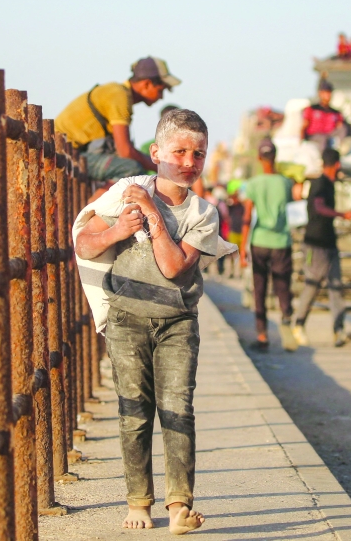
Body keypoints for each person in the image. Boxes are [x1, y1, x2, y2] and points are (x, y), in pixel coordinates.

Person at [74, 109, 215, 534]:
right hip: (126, 319)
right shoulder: (126, 191)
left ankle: (178, 507)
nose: (188, 162)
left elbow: (174, 268)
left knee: (178, 409)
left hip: (177, 322)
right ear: (156, 153)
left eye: (199, 154)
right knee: (133, 411)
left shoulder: (204, 214)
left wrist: (151, 214)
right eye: (179, 151)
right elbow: (83, 239)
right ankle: (138, 500)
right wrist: (117, 232)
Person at [56, 57, 180, 181]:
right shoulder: (119, 96)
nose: (162, 97)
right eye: (160, 90)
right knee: (131, 169)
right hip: (64, 153)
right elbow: (125, 151)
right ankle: (97, 201)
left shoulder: (118, 92)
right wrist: (162, 167)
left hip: (73, 151)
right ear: (146, 84)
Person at [240, 139, 302, 351]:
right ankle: (286, 321)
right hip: (281, 242)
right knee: (282, 287)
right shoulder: (286, 183)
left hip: (259, 242)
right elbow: (295, 203)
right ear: (275, 157)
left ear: (259, 158)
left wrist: (242, 248)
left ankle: (263, 336)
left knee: (260, 290)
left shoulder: (253, 184)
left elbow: (247, 216)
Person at [293, 148, 351, 348]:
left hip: (329, 243)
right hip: (315, 244)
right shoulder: (320, 183)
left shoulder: (329, 184)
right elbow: (319, 207)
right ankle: (298, 324)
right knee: (313, 285)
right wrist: (340, 214)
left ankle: (338, 330)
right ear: (337, 165)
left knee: (336, 287)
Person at [301, 77, 350, 152]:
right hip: (315, 136)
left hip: (329, 134)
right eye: (325, 92)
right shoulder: (312, 109)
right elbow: (304, 125)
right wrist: (301, 140)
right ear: (320, 94)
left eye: (329, 92)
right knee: (323, 139)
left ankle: (341, 151)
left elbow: (340, 126)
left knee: (343, 129)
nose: (328, 95)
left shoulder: (335, 112)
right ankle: (324, 159)